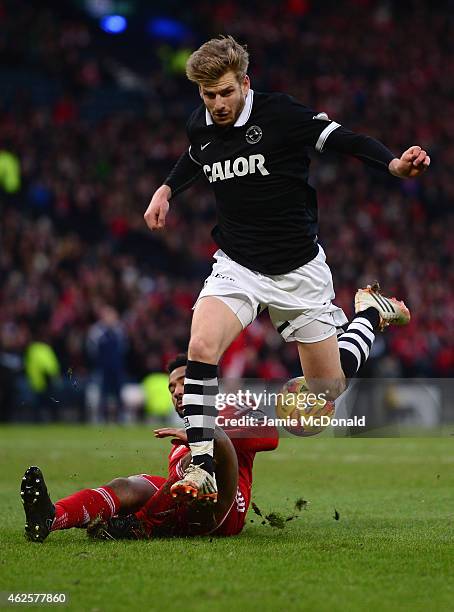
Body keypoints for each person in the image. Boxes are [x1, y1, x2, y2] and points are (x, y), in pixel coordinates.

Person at [143, 35, 430, 501]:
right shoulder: (201, 124)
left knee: (325, 390)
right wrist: (166, 190)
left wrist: (394, 164)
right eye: (208, 95)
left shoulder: (282, 115)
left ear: (245, 83)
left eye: (226, 93)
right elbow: (195, 157)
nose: (217, 104)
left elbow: (346, 140)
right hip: (238, 263)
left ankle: (371, 315)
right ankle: (200, 467)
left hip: (298, 270)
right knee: (200, 342)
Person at [20, 354, 278, 542]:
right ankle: (52, 517)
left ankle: (140, 525)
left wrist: (201, 436)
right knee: (128, 485)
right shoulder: (180, 438)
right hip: (189, 511)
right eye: (171, 387)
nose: (176, 392)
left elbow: (270, 436)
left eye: (183, 382)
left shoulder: (232, 408)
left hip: (227, 510)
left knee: (206, 445)